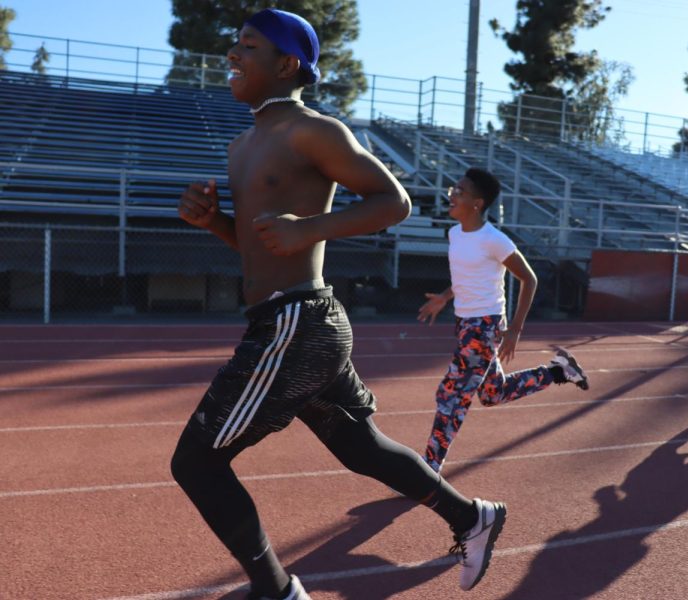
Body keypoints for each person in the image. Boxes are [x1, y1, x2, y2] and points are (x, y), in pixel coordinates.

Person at [170, 9, 504, 599]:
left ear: (286, 64)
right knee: (360, 446)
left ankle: (277, 592)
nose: (232, 55)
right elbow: (259, 243)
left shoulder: (312, 130)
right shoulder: (241, 146)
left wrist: (312, 229)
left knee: (196, 462)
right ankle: (471, 517)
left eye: (247, 46)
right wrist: (217, 223)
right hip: (295, 320)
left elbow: (393, 201)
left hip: (294, 321)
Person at [417, 168, 590, 473]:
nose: (452, 194)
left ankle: (429, 468)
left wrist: (514, 331)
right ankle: (559, 372)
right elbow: (465, 278)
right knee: (493, 393)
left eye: (460, 191)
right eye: (453, 188)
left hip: (483, 326)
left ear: (477, 203)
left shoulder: (494, 240)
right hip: (464, 323)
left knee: (451, 394)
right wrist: (445, 297)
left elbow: (529, 279)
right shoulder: (454, 234)